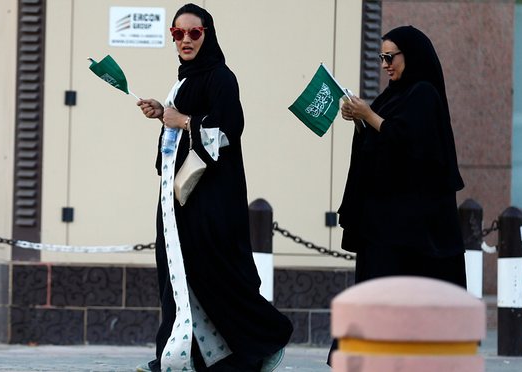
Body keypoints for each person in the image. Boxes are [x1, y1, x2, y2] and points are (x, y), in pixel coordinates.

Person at [135, 4, 292, 372]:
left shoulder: (221, 77)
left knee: (218, 276)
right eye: (178, 33)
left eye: (194, 33)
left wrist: (184, 119)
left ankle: (267, 340)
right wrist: (164, 112)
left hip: (211, 202)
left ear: (208, 34)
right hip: (182, 200)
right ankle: (178, 358)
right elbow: (181, 126)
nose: (186, 40)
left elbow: (228, 131)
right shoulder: (186, 78)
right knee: (179, 278)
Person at [327, 25, 466, 365]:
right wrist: (360, 123)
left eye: (391, 56)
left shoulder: (423, 94)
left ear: (411, 55)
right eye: (381, 57)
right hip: (384, 226)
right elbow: (381, 147)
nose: (385, 64)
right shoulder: (393, 95)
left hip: (411, 233)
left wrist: (369, 116)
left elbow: (412, 146)